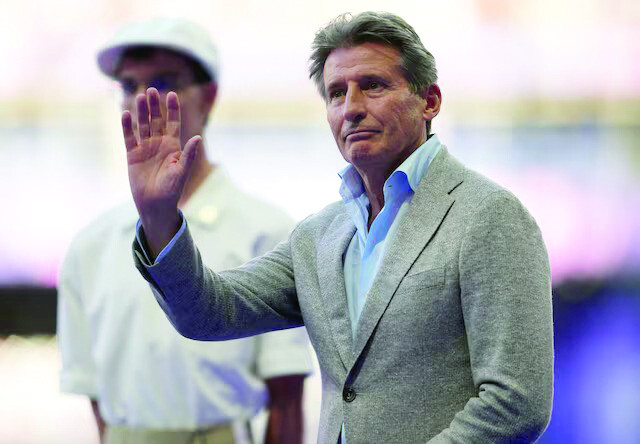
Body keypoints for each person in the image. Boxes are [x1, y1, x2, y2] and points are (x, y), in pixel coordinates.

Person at [126, 12, 554, 444]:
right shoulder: (320, 236)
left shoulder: (489, 215)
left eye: (373, 85)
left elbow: (516, 401)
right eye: (335, 93)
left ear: (430, 101)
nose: (351, 108)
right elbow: (208, 313)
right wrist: (159, 216)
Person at [57, 18, 313, 444]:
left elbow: (286, 399)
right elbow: (97, 402)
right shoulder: (91, 246)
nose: (143, 99)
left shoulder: (266, 230)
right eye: (128, 85)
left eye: (162, 82)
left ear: (208, 96)